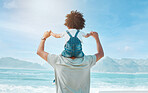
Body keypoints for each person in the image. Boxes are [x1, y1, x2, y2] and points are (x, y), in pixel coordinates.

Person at [37, 31, 104, 93]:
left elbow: (39, 52)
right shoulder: (87, 61)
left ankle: (56, 79)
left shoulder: (57, 60)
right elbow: (101, 53)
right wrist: (96, 38)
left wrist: (44, 38)